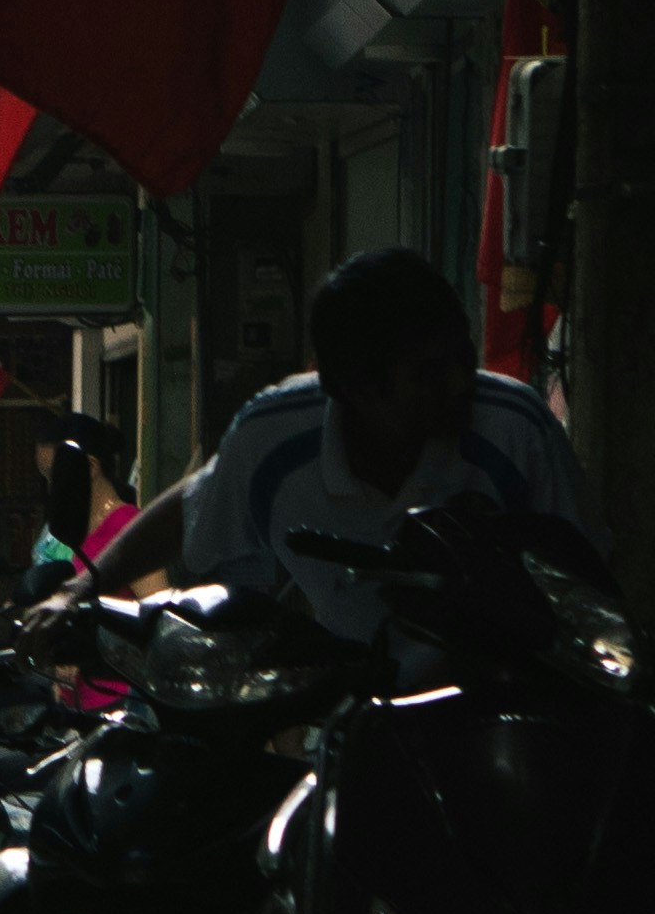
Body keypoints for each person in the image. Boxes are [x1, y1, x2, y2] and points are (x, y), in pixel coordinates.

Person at [188, 246, 599, 642]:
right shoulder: (269, 439)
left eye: (464, 357)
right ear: (358, 390)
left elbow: (590, 593)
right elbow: (214, 556)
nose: (460, 384)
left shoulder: (516, 429)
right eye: (430, 373)